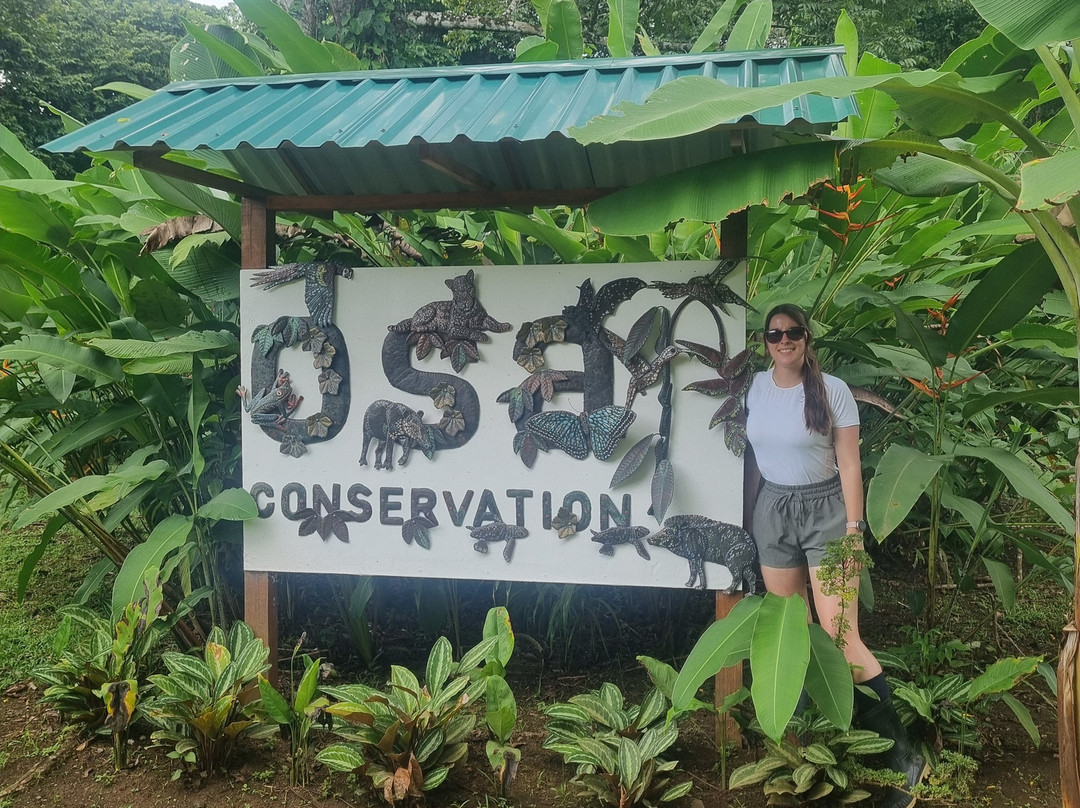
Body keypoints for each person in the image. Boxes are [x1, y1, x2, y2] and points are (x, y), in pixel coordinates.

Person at [742, 303, 926, 808]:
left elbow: (849, 465)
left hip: (827, 509)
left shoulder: (832, 391)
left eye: (793, 333)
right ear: (765, 341)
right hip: (774, 509)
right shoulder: (755, 388)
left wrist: (853, 529)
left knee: (841, 636)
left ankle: (902, 757)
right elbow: (754, 462)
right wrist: (747, 518)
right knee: (790, 630)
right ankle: (807, 758)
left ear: (806, 339)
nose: (785, 341)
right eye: (775, 334)